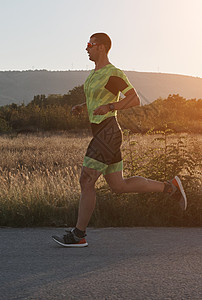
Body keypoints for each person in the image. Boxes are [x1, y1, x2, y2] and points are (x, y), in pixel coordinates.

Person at [52, 33, 187, 247]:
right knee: (119, 185)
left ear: (102, 47)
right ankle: (169, 187)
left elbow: (134, 99)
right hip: (101, 132)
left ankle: (78, 235)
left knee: (86, 180)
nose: (86, 48)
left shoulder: (113, 73)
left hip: (108, 131)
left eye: (90, 44)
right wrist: (83, 107)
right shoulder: (93, 75)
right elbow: (97, 100)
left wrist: (111, 107)